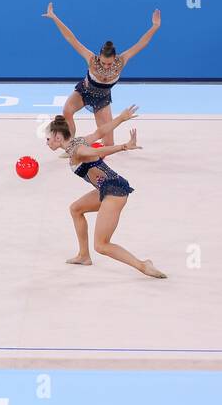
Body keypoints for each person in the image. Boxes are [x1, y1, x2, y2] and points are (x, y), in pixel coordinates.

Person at [44, 108, 165, 278]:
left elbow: (96, 151)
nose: (47, 142)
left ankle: (143, 265)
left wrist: (124, 146)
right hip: (106, 188)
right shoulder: (76, 143)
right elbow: (99, 132)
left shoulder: (78, 150)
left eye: (48, 139)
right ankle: (84, 256)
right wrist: (121, 119)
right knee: (76, 209)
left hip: (115, 191)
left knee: (101, 245)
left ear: (58, 137)